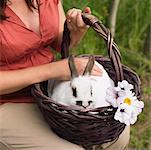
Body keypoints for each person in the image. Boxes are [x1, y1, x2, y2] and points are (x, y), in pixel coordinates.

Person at [0, 0, 130, 149]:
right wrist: (52, 70)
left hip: (46, 91)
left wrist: (75, 31)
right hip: (7, 101)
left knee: (117, 135)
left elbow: (59, 42)